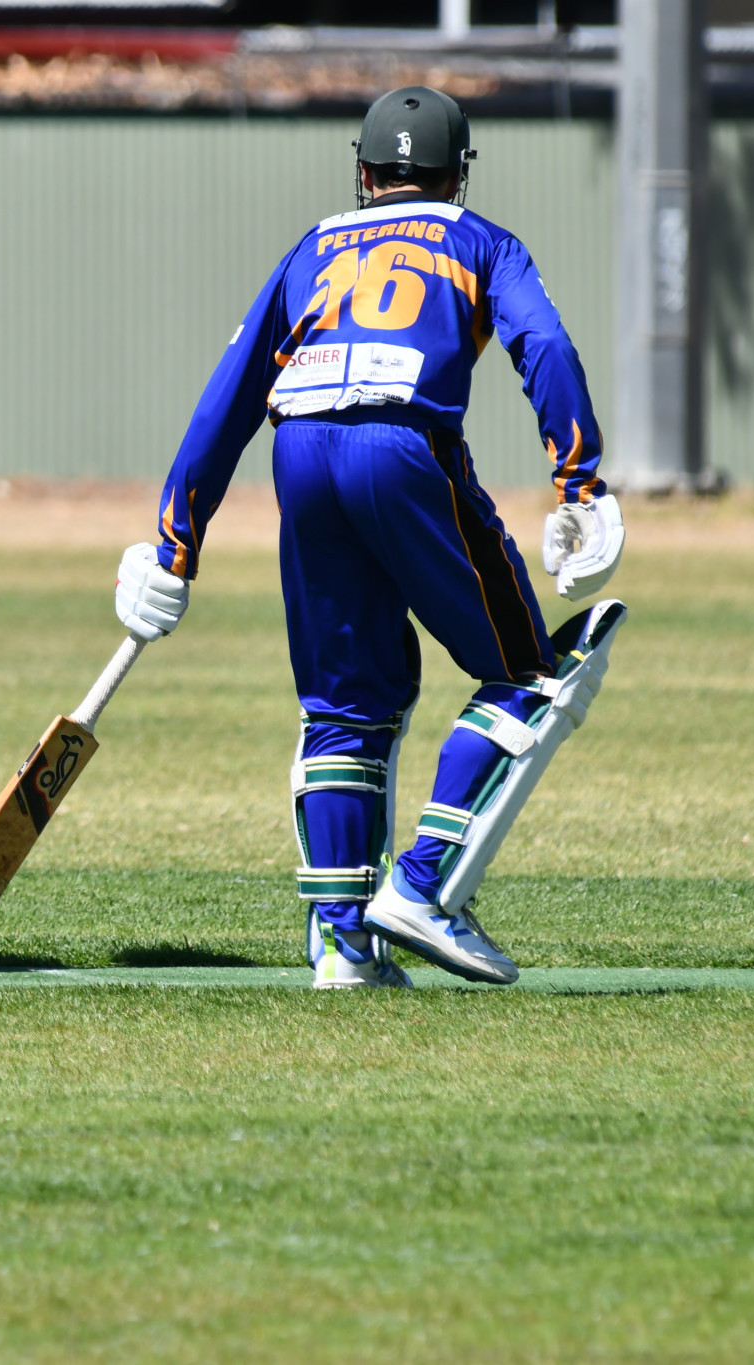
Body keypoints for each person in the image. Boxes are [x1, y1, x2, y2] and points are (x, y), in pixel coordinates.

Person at [112, 87, 626, 989]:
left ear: (362, 172)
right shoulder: (482, 241)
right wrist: (579, 483)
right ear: (456, 172)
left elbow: (227, 397)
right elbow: (544, 345)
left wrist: (173, 543)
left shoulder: (312, 247)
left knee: (345, 708)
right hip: (405, 444)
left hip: (298, 449)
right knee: (532, 677)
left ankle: (342, 945)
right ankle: (424, 888)